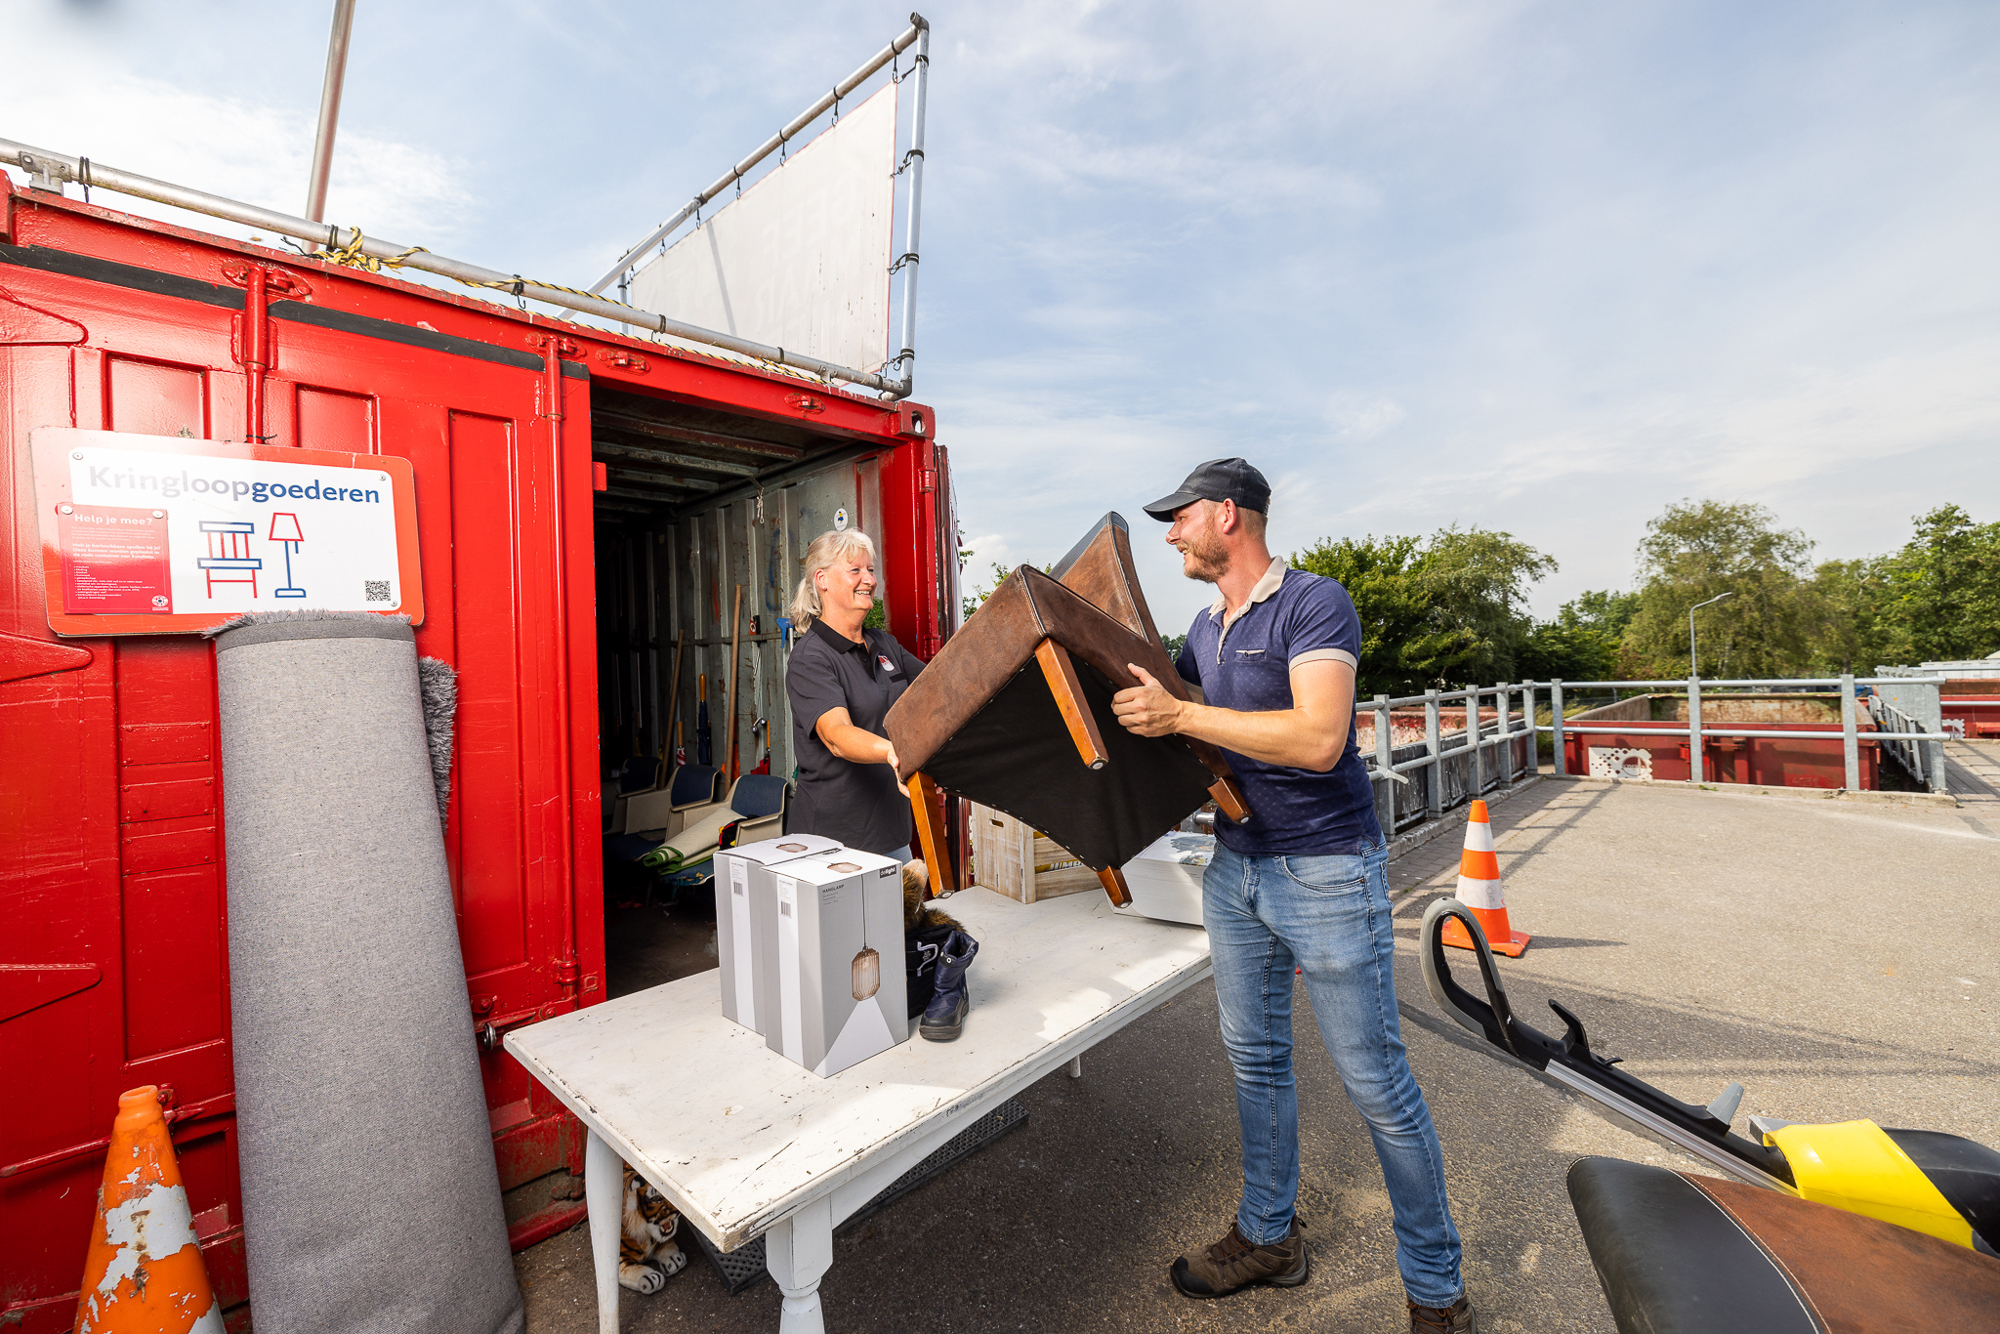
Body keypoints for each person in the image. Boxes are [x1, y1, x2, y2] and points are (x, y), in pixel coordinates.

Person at [1110, 459, 1475, 1334]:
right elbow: (1172, 716)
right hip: (1235, 869)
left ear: (1228, 516)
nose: (1170, 534)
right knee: (1256, 1062)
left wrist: (1182, 717)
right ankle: (1269, 1239)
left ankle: (1437, 1291)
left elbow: (1317, 738)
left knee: (1377, 1083)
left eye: (1181, 518)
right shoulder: (1205, 627)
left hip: (1324, 867)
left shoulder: (1315, 602)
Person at [784, 529, 925, 860]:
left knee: (902, 914)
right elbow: (836, 736)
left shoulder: (884, 644)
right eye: (856, 570)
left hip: (891, 835)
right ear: (823, 580)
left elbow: (937, 689)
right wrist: (894, 752)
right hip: (831, 844)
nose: (869, 580)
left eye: (871, 570)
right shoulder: (810, 658)